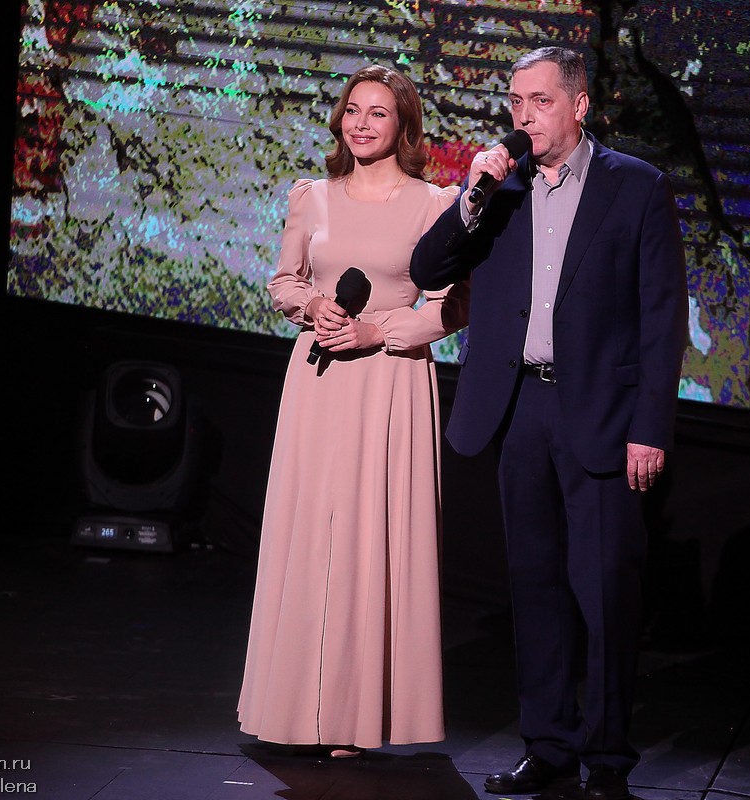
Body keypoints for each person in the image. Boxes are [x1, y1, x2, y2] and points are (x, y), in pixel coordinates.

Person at [410, 46, 689, 800]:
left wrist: (650, 426)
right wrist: (470, 197)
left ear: (579, 105)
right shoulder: (498, 190)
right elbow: (428, 269)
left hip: (601, 410)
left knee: (604, 592)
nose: (524, 116)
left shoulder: (637, 187)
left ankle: (607, 758)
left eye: (539, 101)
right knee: (533, 587)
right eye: (515, 102)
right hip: (521, 408)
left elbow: (663, 318)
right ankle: (550, 746)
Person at [237, 64, 468, 756]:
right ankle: (293, 710)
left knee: (373, 540)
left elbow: (450, 308)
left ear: (404, 126)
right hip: (319, 380)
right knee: (308, 533)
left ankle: (355, 718)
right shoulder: (312, 196)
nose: (361, 124)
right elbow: (285, 281)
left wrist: (377, 331)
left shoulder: (435, 206)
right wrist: (315, 305)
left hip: (391, 379)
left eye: (378, 113)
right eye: (352, 111)